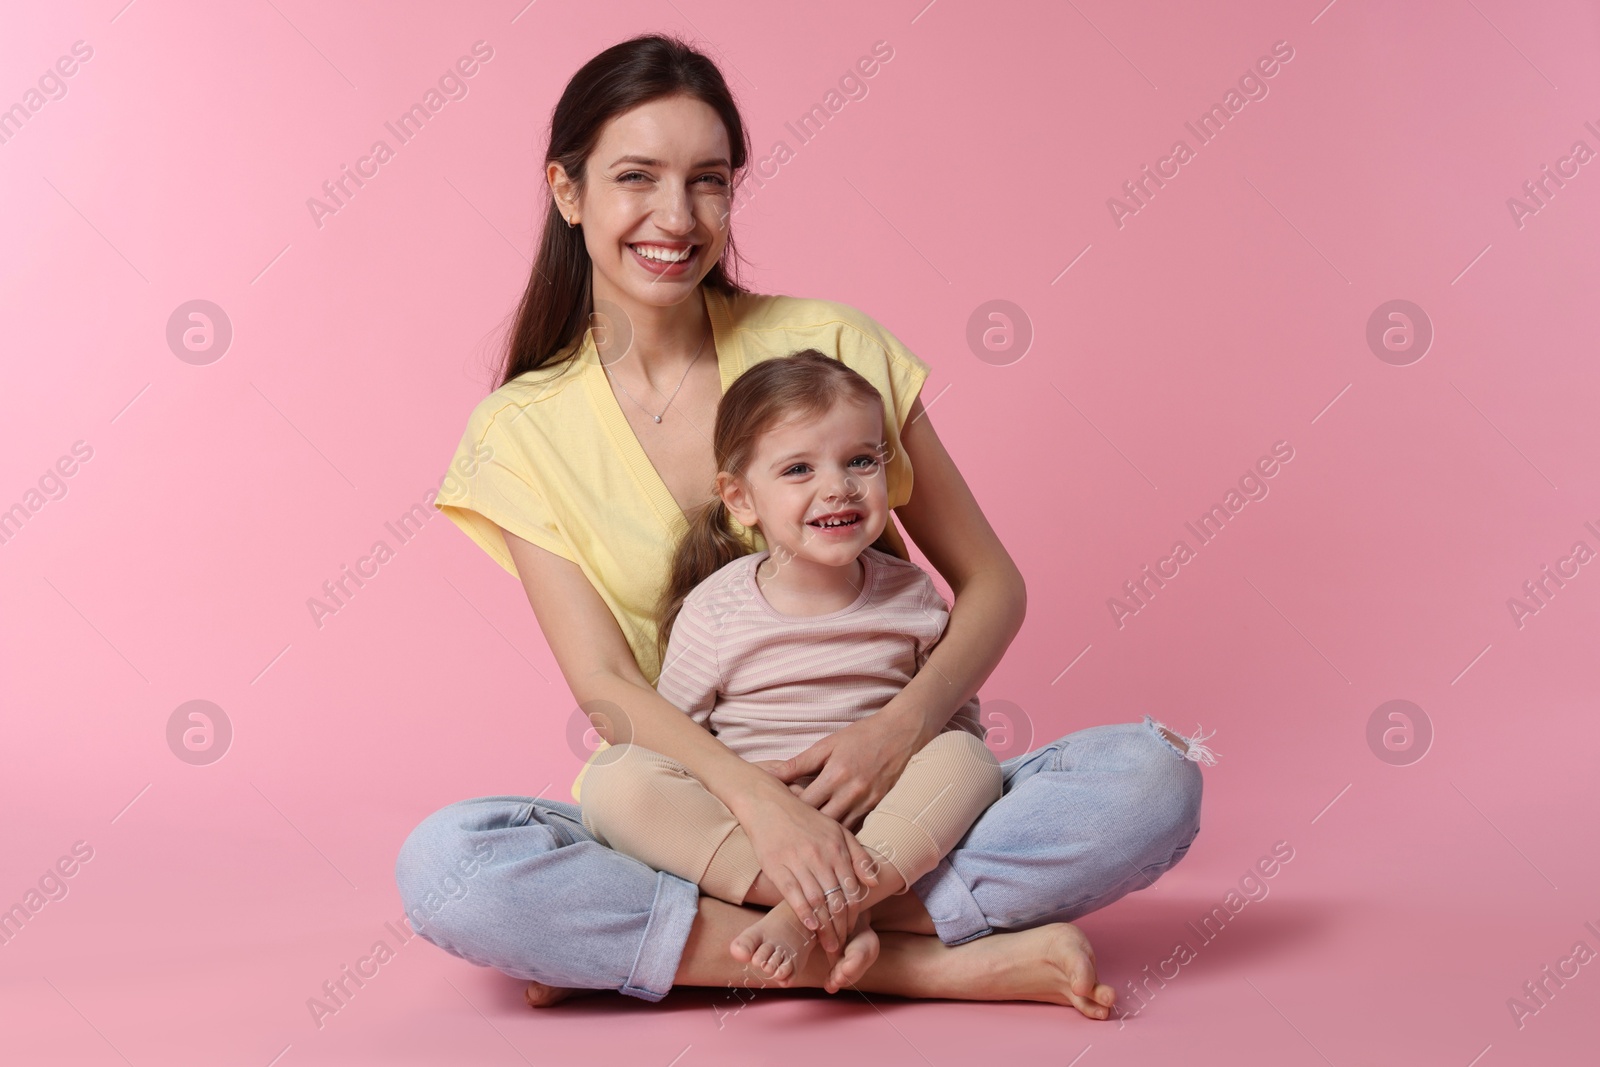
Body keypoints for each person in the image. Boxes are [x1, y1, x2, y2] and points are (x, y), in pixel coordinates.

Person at [396, 32, 1212, 1020]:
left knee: (1151, 776)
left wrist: (895, 729)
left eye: (707, 181)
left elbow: (991, 584)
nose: (674, 216)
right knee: (450, 865)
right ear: (567, 192)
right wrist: (758, 804)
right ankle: (921, 957)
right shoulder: (519, 429)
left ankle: (683, 939)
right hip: (717, 801)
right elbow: (608, 689)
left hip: (904, 786)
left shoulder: (827, 342)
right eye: (635, 178)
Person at [578, 350, 1005, 993]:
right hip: (760, 839)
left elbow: (950, 723)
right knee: (616, 781)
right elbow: (676, 744)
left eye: (861, 460)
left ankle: (804, 916)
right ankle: (840, 909)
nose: (838, 486)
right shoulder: (717, 609)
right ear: (741, 498)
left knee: (970, 764)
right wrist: (753, 808)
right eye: (799, 468)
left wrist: (938, 765)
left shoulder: (914, 597)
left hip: (887, 828)